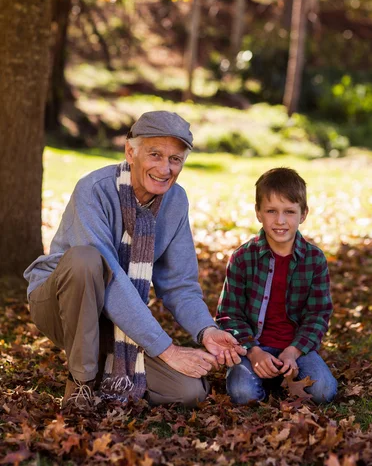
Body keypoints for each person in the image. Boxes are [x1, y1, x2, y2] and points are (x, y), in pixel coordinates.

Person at [24, 110, 245, 411]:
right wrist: (167, 350)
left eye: (175, 159)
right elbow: (111, 278)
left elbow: (180, 284)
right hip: (61, 306)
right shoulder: (94, 189)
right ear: (131, 151)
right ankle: (81, 383)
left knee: (188, 390)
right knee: (87, 260)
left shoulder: (175, 201)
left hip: (114, 322)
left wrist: (206, 329)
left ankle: (106, 369)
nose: (165, 168)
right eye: (155, 154)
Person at [216, 167, 337, 405]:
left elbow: (318, 315)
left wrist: (294, 351)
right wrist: (253, 350)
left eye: (289, 212)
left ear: (303, 214)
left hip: (296, 349)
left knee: (324, 391)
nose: (280, 221)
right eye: (271, 211)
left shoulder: (314, 259)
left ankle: (282, 376)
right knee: (242, 394)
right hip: (253, 348)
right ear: (258, 213)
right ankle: (268, 378)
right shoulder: (242, 257)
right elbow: (228, 314)